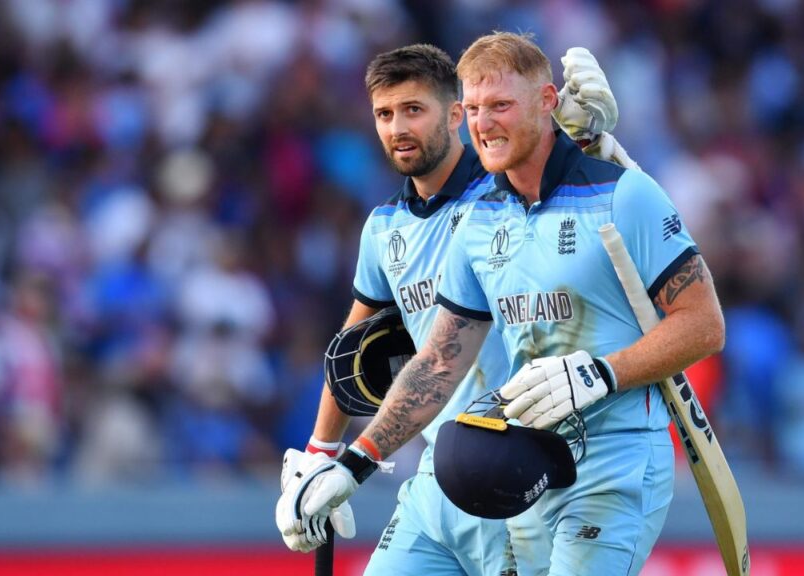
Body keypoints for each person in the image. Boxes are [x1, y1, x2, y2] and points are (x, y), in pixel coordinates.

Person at [291, 31, 726, 576]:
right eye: (475, 109)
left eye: (500, 105)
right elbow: (439, 361)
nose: (483, 123)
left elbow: (704, 326)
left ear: (547, 102)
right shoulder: (479, 222)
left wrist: (602, 373)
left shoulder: (625, 194)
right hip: (521, 465)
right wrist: (353, 461)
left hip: (616, 463)